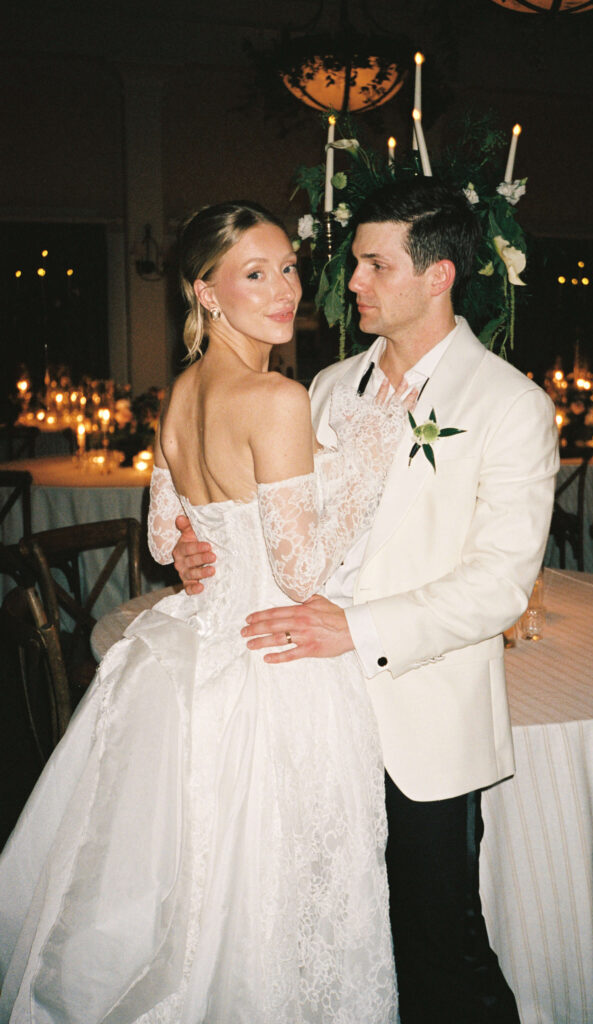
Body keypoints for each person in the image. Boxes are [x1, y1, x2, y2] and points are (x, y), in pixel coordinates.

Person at [0, 200, 415, 1023]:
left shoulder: (181, 390)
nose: (284, 288)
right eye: (254, 274)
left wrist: (199, 547)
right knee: (277, 892)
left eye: (289, 267)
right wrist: (363, 465)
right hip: (274, 661)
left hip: (194, 651)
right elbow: (299, 573)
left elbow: (165, 537)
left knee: (188, 887)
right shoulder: (275, 397)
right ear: (207, 293)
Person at [174, 180, 560, 1023]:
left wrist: (357, 628)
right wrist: (199, 544)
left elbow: (498, 584)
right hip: (302, 715)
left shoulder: (508, 406)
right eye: (354, 263)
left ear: (438, 276)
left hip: (419, 721)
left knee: (438, 944)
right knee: (332, 935)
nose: (348, 284)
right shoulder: (323, 386)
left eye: (373, 265)